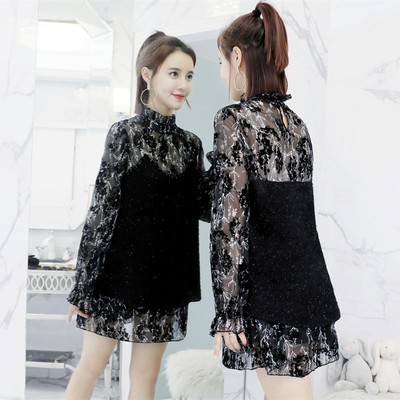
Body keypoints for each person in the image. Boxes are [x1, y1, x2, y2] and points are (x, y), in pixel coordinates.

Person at [65, 31, 208, 400]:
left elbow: (204, 208)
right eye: (174, 74)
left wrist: (227, 165)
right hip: (115, 277)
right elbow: (101, 212)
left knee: (145, 378)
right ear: (148, 75)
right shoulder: (124, 135)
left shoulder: (190, 145)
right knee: (91, 367)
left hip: (165, 280)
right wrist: (83, 284)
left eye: (189, 75)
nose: (183, 84)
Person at [209, 2, 341, 399]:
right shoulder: (297, 124)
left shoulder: (234, 120)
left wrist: (228, 311)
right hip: (306, 283)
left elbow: (230, 223)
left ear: (237, 58)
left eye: (221, 62)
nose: (222, 73)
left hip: (267, 290)